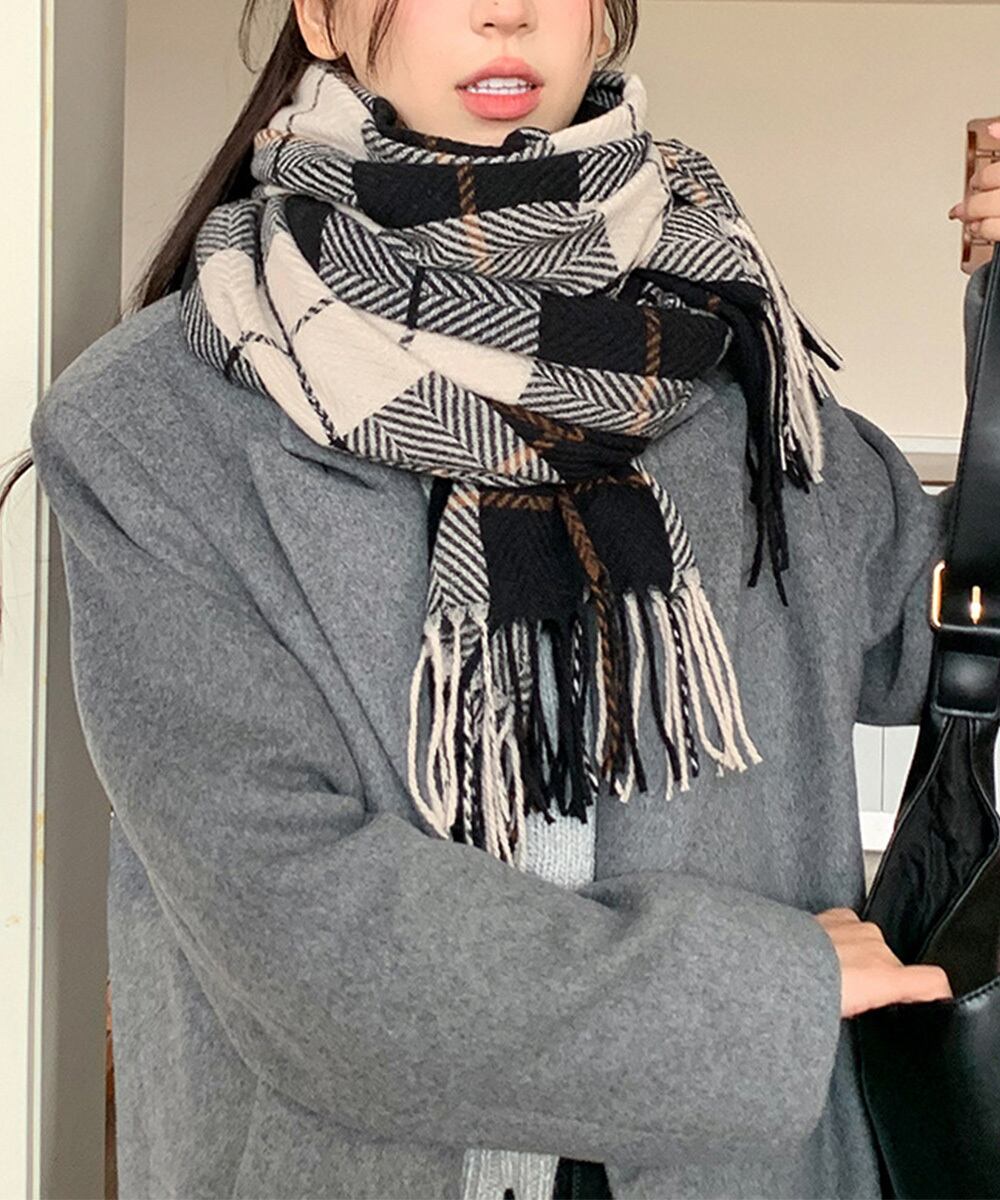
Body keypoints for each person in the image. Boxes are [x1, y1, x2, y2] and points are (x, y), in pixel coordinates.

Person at [23, 0, 999, 1196]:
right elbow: (293, 929)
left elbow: (944, 643)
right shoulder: (153, 424)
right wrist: (757, 992)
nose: (509, 12)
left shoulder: (731, 356)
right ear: (320, 16)